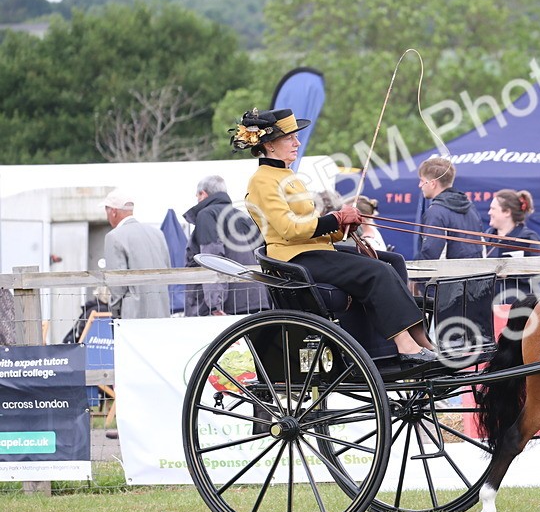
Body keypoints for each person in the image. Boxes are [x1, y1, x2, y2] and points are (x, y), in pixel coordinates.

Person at [234, 108, 436, 362]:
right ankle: (405, 346)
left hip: (313, 250)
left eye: (296, 137)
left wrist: (342, 227)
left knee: (394, 261)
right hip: (294, 259)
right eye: (290, 138)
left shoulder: (287, 175)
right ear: (270, 145)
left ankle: (421, 339)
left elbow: (312, 227)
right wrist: (335, 218)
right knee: (378, 271)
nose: (297, 143)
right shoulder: (263, 180)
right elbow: (289, 229)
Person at [183, 175, 270, 317]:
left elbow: (212, 259)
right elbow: (262, 255)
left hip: (226, 307)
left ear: (203, 194)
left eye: (197, 196)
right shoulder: (243, 217)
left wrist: (215, 304)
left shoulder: (207, 215)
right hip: (257, 299)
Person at [102, 189, 172, 319]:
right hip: (162, 312)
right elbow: (168, 270)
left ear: (113, 211)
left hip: (133, 315)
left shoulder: (114, 237)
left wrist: (115, 312)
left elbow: (117, 285)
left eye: (106, 211)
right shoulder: (157, 234)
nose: (107, 217)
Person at [416, 157, 484, 260]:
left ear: (432, 183)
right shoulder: (471, 208)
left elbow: (430, 256)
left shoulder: (435, 213)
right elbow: (481, 247)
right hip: (477, 270)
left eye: (422, 181)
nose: (420, 185)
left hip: (448, 270)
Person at [485, 189, 540, 258]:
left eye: (493, 209)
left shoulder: (528, 239)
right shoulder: (487, 236)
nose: (489, 212)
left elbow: (539, 263)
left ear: (507, 212)